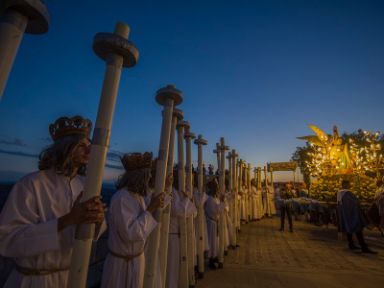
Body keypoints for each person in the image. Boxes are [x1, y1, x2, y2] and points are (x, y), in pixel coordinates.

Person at [0, 116, 106, 288]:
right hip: (34, 280)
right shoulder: (31, 184)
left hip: (71, 278)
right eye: (81, 146)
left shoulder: (86, 184)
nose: (89, 151)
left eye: (89, 146)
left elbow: (92, 232)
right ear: (65, 147)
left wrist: (99, 220)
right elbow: (7, 240)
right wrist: (67, 220)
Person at [100, 152, 165, 288]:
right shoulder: (121, 198)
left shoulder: (138, 196)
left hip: (136, 262)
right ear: (140, 178)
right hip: (120, 267)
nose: (150, 179)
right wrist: (150, 209)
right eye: (148, 176)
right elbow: (131, 233)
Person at [337, 179, 376, 253]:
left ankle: (351, 244)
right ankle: (364, 247)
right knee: (358, 229)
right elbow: (355, 203)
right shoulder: (348, 193)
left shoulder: (339, 193)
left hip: (345, 215)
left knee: (350, 229)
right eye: (348, 184)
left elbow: (339, 205)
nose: (350, 186)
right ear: (345, 185)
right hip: (353, 214)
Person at [204, 177, 225, 269]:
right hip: (211, 223)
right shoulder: (209, 199)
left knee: (215, 242)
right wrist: (222, 202)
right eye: (215, 188)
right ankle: (210, 260)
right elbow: (215, 211)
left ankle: (214, 257)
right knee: (211, 242)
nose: (217, 189)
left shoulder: (214, 198)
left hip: (214, 222)